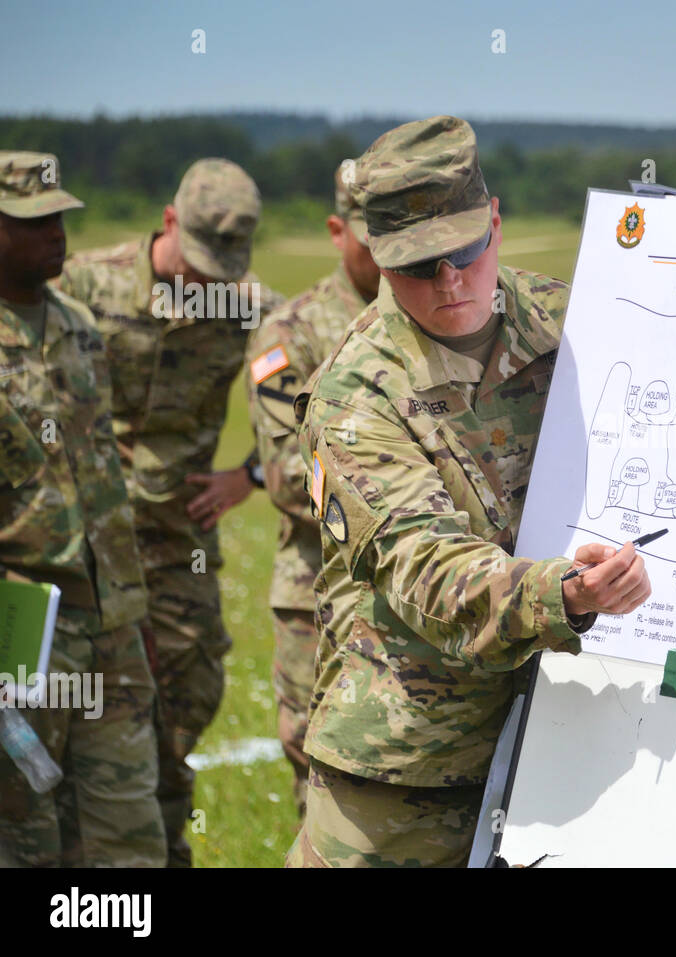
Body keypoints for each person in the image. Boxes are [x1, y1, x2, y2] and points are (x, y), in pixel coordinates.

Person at [285, 116, 652, 867]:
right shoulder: (353, 396)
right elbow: (428, 570)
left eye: (465, 251)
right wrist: (567, 594)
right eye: (419, 266)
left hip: (567, 738)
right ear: (379, 259)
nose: (450, 281)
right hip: (407, 782)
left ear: (495, 221)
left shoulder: (575, 320)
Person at [58, 158, 284, 866]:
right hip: (76, 546)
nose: (206, 286)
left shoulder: (250, 304)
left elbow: (316, 385)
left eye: (222, 271)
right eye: (196, 266)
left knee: (185, 696)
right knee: (60, 708)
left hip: (175, 538)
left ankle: (160, 853)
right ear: (166, 223)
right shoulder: (84, 283)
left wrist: (248, 473)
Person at [0, 151, 166, 866]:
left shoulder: (78, 326)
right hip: (20, 632)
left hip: (110, 624)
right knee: (22, 829)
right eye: (36, 223)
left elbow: (103, 478)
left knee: (129, 833)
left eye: (62, 218)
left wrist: (135, 609)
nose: (57, 235)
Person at [245, 160, 379, 814]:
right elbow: (291, 479)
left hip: (434, 600)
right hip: (322, 604)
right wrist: (409, 521)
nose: (390, 250)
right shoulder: (290, 335)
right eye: (371, 233)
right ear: (335, 230)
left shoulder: (438, 324)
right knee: (329, 799)